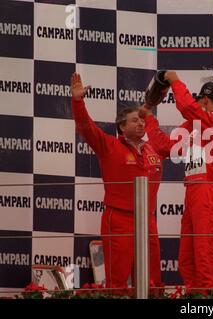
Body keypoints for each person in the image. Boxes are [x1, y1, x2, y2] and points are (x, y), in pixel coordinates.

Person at [70, 73, 164, 291]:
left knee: (152, 281)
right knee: (118, 281)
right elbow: (86, 127)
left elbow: (176, 142)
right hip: (119, 218)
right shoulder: (109, 146)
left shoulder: (154, 149)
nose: (141, 123)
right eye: (135, 120)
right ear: (122, 126)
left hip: (148, 220)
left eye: (142, 120)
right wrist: (78, 102)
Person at [140, 72, 213, 292]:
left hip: (208, 190)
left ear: (205, 101)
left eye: (198, 101)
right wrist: (149, 119)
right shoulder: (194, 126)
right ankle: (196, 298)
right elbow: (164, 146)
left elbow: (186, 107)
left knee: (205, 256)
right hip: (193, 192)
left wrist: (174, 79)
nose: (195, 105)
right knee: (187, 259)